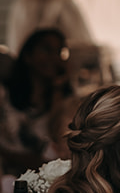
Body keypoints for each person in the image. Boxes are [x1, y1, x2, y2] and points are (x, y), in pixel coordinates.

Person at [2, 26, 70, 171]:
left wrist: (57, 91)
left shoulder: (65, 101)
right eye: (46, 50)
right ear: (28, 56)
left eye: (59, 52)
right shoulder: (4, 96)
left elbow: (59, 144)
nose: (54, 58)